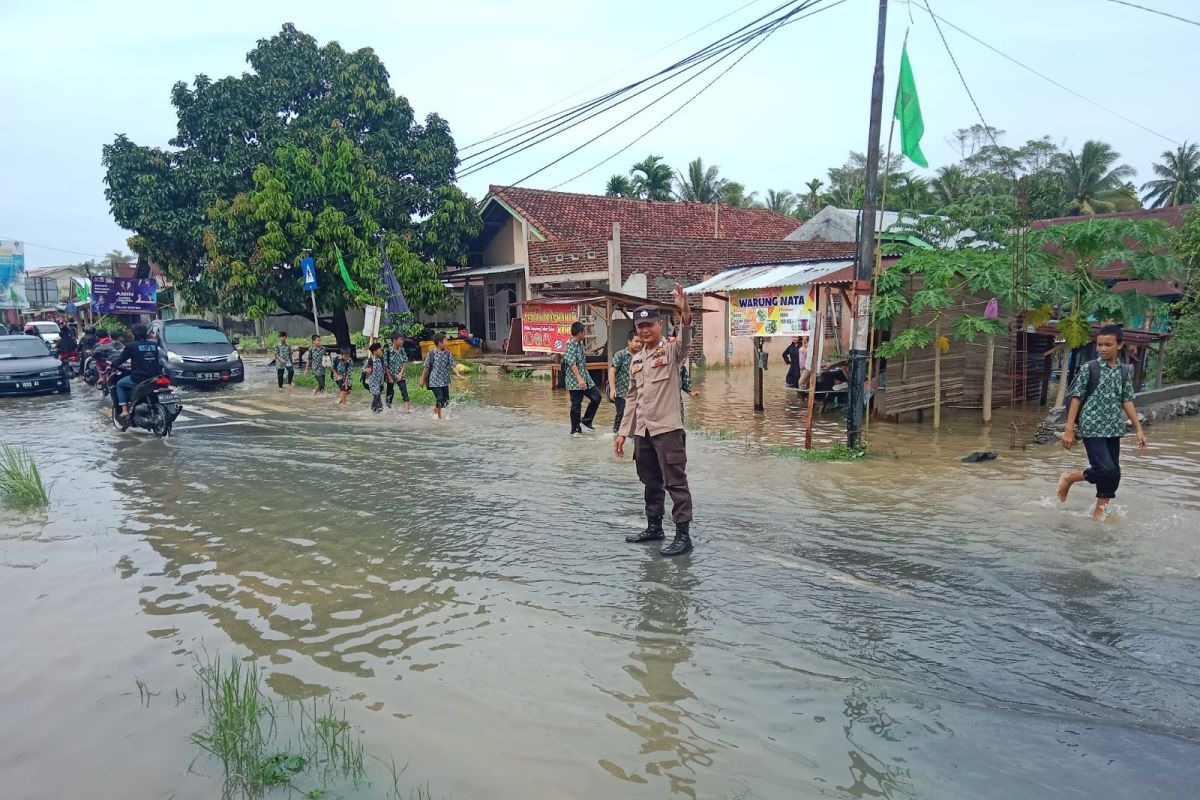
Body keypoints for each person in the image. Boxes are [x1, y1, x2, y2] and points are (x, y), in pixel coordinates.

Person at [614, 285, 695, 557]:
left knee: (675, 481)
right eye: (640, 326)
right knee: (650, 480)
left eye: (649, 324)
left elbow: (685, 341)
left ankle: (683, 535)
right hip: (643, 431)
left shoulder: (671, 352)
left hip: (668, 429)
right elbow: (632, 399)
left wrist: (685, 313)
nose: (645, 330)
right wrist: (623, 433)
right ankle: (654, 527)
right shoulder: (636, 359)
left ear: (660, 324)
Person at [1057, 324, 1148, 519]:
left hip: (1113, 426)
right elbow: (1076, 398)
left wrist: (1138, 429)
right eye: (1099, 345)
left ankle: (1099, 513)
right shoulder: (1090, 368)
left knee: (1114, 473)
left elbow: (1127, 399)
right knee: (1104, 469)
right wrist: (1069, 428)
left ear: (1120, 345)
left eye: (1108, 344)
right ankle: (1070, 478)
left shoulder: (1125, 371)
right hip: (1092, 425)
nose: (1103, 349)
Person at [109, 323, 162, 420]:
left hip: (140, 377)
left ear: (134, 334)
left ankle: (124, 410)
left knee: (120, 384)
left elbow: (121, 358)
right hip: (156, 376)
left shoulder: (131, 346)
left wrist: (112, 366)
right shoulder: (153, 345)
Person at [563, 321, 601, 435]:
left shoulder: (580, 345)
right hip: (575, 380)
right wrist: (579, 379)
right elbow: (572, 363)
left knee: (596, 397)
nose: (584, 334)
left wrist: (584, 378)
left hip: (585, 377)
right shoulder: (570, 345)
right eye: (583, 332)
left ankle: (586, 419)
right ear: (580, 333)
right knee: (576, 405)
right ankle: (575, 429)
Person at [607, 331, 642, 434]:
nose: (639, 344)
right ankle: (616, 434)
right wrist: (613, 389)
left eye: (641, 342)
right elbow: (612, 371)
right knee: (621, 414)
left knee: (638, 416)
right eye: (636, 341)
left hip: (637, 393)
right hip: (621, 393)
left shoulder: (643, 356)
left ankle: (634, 436)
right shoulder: (621, 355)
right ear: (629, 342)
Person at [420, 333, 456, 420]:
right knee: (440, 398)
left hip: (444, 381)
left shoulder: (448, 353)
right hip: (434, 381)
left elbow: (453, 366)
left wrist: (458, 374)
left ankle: (435, 409)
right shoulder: (431, 354)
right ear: (439, 343)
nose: (446, 343)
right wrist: (422, 379)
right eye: (445, 341)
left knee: (446, 402)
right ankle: (440, 418)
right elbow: (426, 367)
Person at [384, 332, 411, 412]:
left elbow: (405, 361)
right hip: (391, 375)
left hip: (400, 375)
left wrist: (401, 373)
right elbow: (385, 365)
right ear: (394, 341)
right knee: (389, 394)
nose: (402, 341)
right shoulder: (388, 351)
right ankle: (388, 409)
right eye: (400, 340)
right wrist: (389, 377)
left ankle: (407, 411)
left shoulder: (402, 350)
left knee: (404, 393)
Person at [365, 341, 385, 413]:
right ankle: (379, 412)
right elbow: (363, 369)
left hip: (379, 383)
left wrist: (382, 381)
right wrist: (367, 370)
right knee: (378, 399)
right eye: (380, 350)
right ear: (375, 351)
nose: (381, 351)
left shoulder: (381, 359)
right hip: (373, 384)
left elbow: (383, 370)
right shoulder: (370, 360)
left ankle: (373, 411)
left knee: (376, 398)